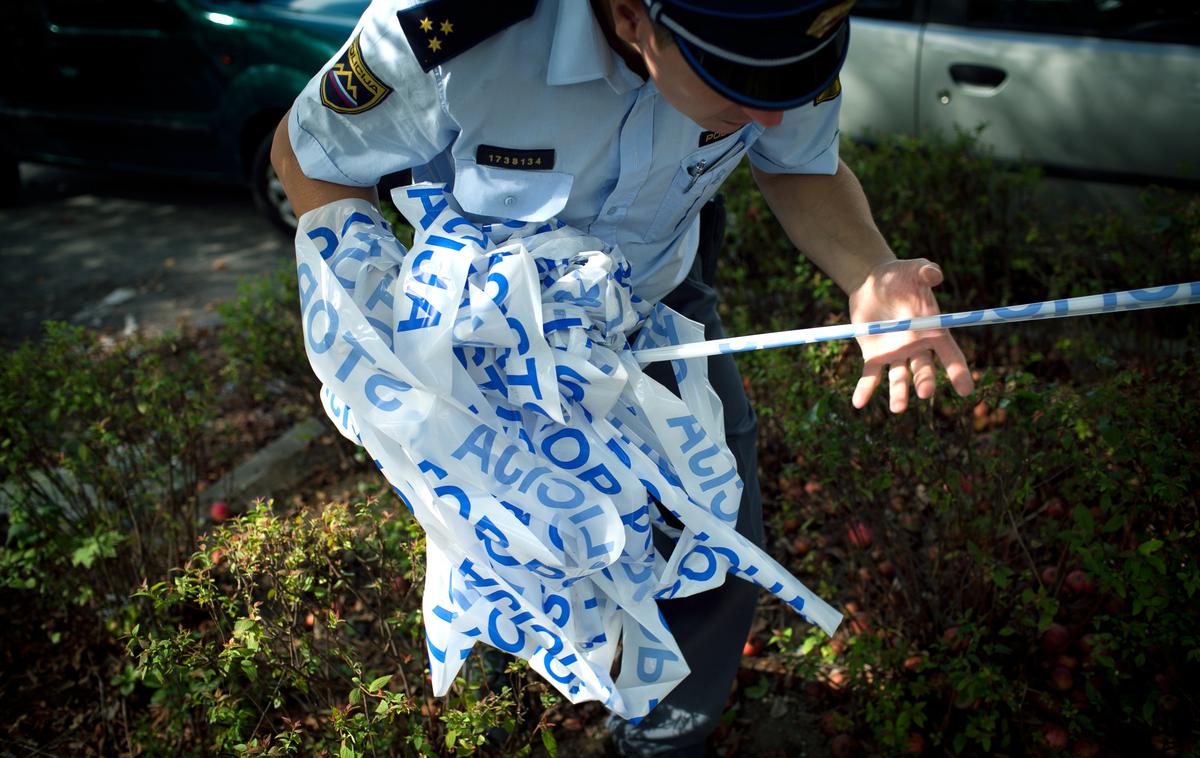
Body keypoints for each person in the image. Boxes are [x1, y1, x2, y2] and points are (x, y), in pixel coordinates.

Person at [272, 0, 975, 753]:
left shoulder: (777, 30)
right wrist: (393, 337)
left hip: (658, 295)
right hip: (484, 335)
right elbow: (310, 156)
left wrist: (867, 270)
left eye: (780, 92)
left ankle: (664, 738)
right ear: (631, 18)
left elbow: (799, 160)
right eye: (733, 89)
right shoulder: (456, 26)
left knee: (717, 530)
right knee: (500, 543)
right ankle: (501, 720)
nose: (765, 120)